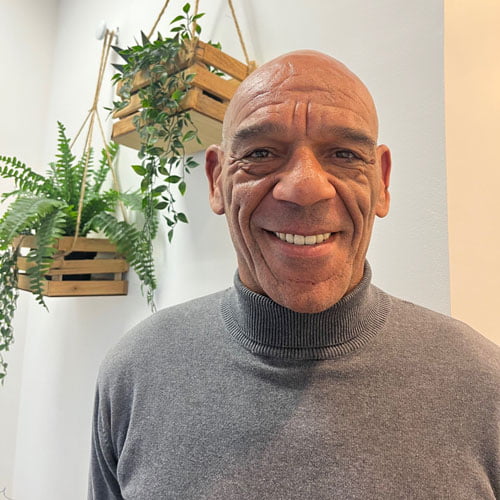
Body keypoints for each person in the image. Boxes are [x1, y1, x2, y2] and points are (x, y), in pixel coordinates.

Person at [88, 50, 500, 499]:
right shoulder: (135, 374)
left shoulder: (483, 384)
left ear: (381, 182)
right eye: (261, 153)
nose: (305, 188)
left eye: (343, 154)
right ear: (216, 180)